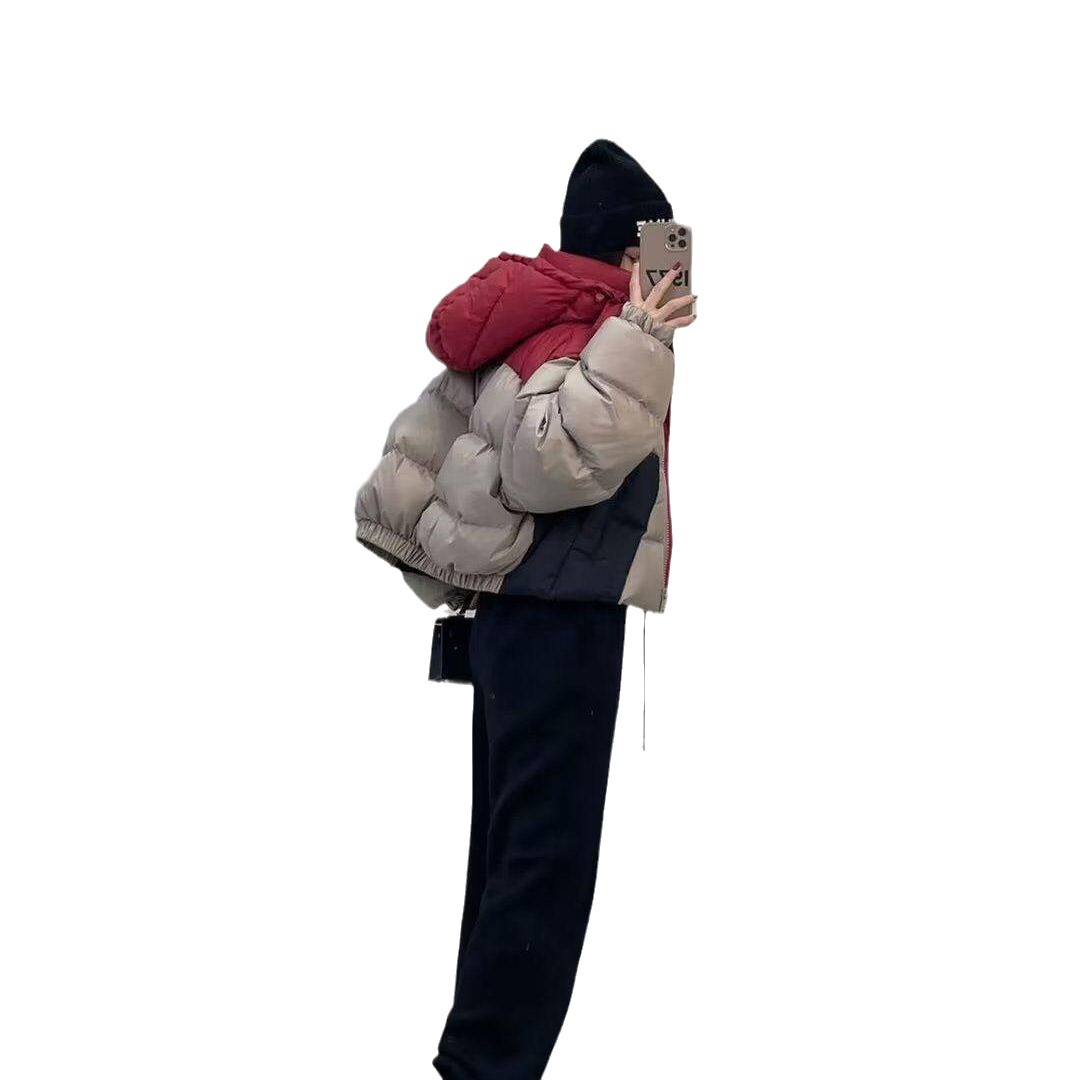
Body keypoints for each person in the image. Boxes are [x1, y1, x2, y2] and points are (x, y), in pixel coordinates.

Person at [354, 139, 695, 1079]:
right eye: (661, 250)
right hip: (559, 613)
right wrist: (641, 333)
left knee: (514, 850)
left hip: (522, 614)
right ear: (628, 252)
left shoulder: (540, 309)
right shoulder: (591, 322)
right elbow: (547, 463)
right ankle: (486, 1068)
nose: (676, 271)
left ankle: (476, 1060)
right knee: (546, 863)